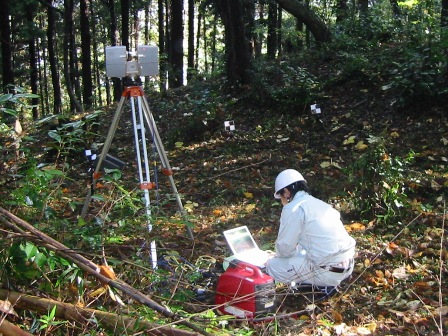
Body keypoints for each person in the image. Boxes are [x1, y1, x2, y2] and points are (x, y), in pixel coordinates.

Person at [265, 169, 356, 288]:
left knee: (272, 265)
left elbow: (285, 249)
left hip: (327, 274)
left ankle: (310, 286)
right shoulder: (318, 203)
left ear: (286, 192)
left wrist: (274, 256)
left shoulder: (293, 209)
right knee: (300, 252)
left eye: (281, 196)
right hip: (347, 266)